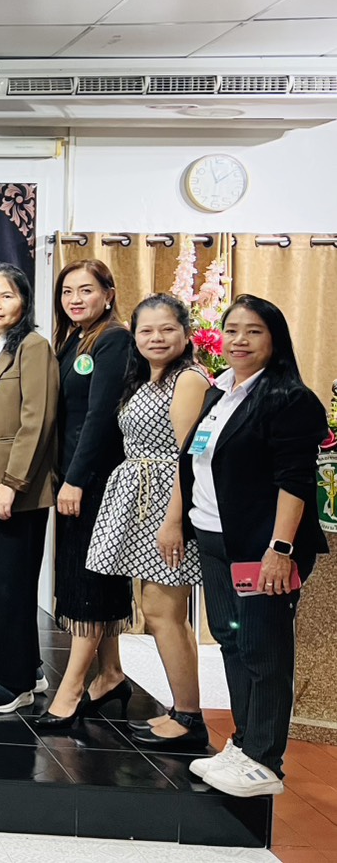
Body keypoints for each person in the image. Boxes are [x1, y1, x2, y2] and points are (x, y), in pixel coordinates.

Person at [180, 296, 328, 797]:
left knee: (264, 650)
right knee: (232, 640)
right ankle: (244, 745)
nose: (239, 340)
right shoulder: (219, 393)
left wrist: (280, 549)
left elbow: (295, 481)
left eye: (254, 331)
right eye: (232, 330)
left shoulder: (289, 399)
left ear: (275, 339)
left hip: (261, 549)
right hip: (214, 539)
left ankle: (265, 761)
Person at [86, 294, 209, 746]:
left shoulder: (188, 379)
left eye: (167, 329)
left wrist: (174, 521)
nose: (156, 338)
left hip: (166, 504)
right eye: (146, 330)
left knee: (163, 612)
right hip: (139, 498)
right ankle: (184, 709)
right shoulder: (146, 378)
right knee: (159, 611)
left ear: (186, 334)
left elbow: (187, 456)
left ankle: (189, 717)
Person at [37, 260, 134, 725]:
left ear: (108, 294)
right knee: (96, 575)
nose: (75, 299)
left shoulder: (114, 340)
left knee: (88, 581)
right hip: (72, 476)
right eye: (67, 291)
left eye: (86, 290)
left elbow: (101, 417)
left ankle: (71, 691)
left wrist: (75, 479)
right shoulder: (75, 339)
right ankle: (111, 673)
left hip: (94, 480)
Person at [0, 264, 58, 713]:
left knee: (12, 588)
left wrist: (12, 483)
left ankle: (15, 682)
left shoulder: (34, 347)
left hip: (14, 491)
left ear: (24, 301)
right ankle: (24, 669)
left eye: (6, 296)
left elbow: (36, 421)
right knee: (0, 584)